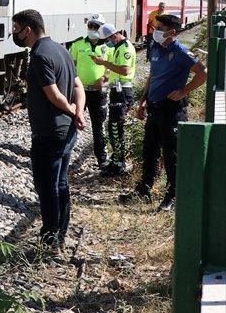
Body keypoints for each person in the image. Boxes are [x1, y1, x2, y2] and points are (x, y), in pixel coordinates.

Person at [13, 9, 86, 249]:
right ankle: (60, 234)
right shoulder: (61, 49)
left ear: (28, 30)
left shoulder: (40, 56)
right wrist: (78, 112)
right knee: (61, 183)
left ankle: (51, 238)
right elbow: (78, 86)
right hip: (66, 131)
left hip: (50, 132)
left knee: (47, 187)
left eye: (16, 29)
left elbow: (54, 95)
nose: (15, 33)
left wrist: (70, 111)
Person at [120, 13, 207, 211]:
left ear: (172, 32)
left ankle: (173, 196)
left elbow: (203, 73)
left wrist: (183, 91)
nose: (155, 32)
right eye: (155, 28)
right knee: (149, 151)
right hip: (154, 107)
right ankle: (144, 190)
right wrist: (142, 101)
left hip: (172, 111)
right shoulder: (157, 47)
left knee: (172, 155)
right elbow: (153, 75)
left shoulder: (180, 51)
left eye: (159, 29)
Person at [93, 23, 135, 177]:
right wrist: (105, 77)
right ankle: (116, 160)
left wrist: (103, 63)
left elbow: (125, 70)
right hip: (117, 90)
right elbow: (114, 70)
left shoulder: (125, 48)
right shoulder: (117, 47)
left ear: (115, 35)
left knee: (116, 127)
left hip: (123, 92)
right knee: (113, 128)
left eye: (108, 39)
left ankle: (120, 164)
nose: (107, 43)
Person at [69, 15, 109, 168]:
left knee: (98, 126)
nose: (92, 29)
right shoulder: (77, 44)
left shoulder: (108, 46)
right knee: (72, 122)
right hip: (80, 92)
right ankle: (65, 155)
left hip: (98, 93)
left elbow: (112, 67)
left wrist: (105, 78)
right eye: (90, 25)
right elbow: (71, 66)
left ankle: (102, 159)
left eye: (96, 26)